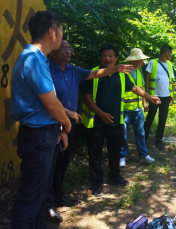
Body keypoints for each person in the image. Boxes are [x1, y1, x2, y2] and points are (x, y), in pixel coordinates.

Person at [45, 40, 134, 223]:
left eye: (70, 48)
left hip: (68, 125)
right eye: (64, 49)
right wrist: (69, 112)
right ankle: (47, 206)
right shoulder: (45, 70)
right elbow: (48, 99)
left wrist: (116, 70)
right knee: (49, 166)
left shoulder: (73, 71)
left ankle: (57, 197)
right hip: (50, 125)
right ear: (52, 52)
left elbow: (96, 74)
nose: (68, 51)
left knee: (62, 162)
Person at [10, 11, 71, 229]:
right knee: (31, 196)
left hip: (44, 134)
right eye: (61, 30)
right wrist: (67, 124)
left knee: (39, 193)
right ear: (51, 32)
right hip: (39, 136)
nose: (62, 35)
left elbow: (48, 103)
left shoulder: (37, 59)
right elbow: (52, 104)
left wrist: (59, 129)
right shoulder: (33, 60)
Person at [81, 44, 160, 197]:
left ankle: (114, 176)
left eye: (111, 55)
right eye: (104, 55)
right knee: (95, 153)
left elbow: (135, 88)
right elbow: (86, 98)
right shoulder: (93, 74)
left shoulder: (122, 74)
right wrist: (101, 113)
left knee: (115, 151)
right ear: (100, 57)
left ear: (116, 58)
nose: (107, 58)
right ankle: (97, 183)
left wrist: (149, 97)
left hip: (116, 121)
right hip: (96, 122)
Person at [120, 48, 155, 167]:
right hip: (125, 109)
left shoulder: (139, 71)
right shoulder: (124, 71)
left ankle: (143, 155)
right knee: (123, 134)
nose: (143, 61)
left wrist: (144, 102)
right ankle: (122, 156)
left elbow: (141, 88)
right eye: (141, 59)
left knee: (140, 133)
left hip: (137, 108)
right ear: (136, 60)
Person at [144, 45, 175, 150]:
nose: (171, 55)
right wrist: (148, 94)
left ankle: (158, 141)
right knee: (150, 118)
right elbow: (146, 78)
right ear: (166, 52)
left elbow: (171, 81)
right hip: (154, 96)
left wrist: (172, 95)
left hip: (166, 96)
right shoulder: (153, 63)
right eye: (170, 53)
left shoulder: (170, 65)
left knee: (163, 119)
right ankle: (143, 139)